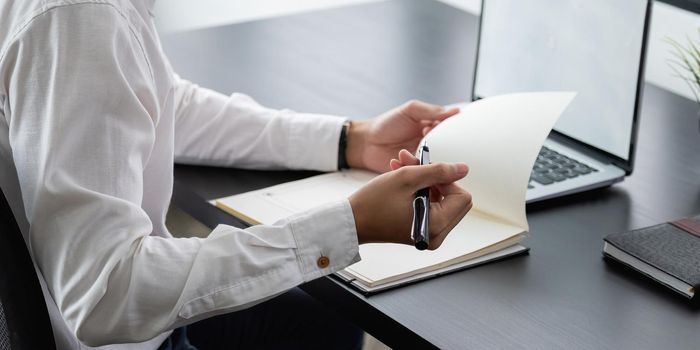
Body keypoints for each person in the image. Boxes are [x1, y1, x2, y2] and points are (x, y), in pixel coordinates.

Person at [0, 0, 473, 349]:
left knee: (322, 321)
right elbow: (103, 294)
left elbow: (158, 101)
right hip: (113, 335)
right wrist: (349, 224)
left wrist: (349, 139)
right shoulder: (81, 17)